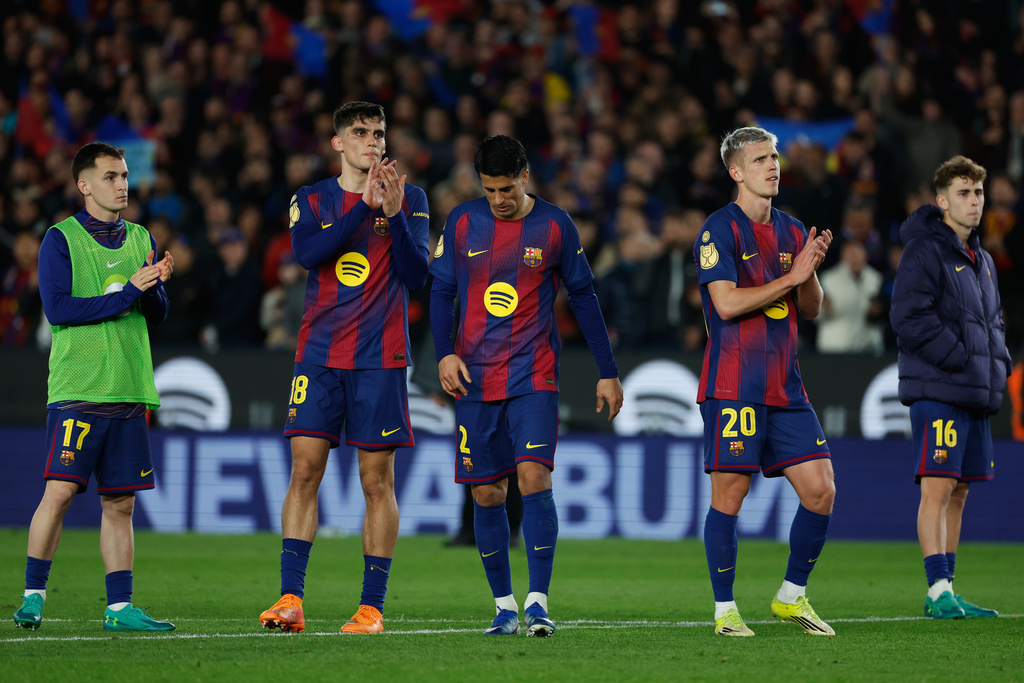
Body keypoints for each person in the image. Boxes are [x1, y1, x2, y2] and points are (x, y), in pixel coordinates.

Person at [430, 135, 623, 637]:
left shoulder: (555, 225)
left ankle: (538, 602)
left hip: (533, 373)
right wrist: (444, 353)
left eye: (507, 188)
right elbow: (442, 290)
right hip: (474, 377)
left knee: (534, 476)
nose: (499, 199)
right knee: (487, 492)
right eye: (490, 189)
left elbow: (584, 297)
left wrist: (607, 370)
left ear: (525, 177)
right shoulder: (462, 222)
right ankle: (504, 607)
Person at [259, 102, 429, 634]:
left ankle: (371, 608)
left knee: (376, 482)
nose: (372, 141)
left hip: (380, 357)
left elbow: (417, 275)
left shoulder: (411, 199)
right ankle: (290, 600)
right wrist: (363, 208)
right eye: (360, 132)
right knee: (304, 471)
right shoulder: (310, 199)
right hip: (319, 354)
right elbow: (310, 254)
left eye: (378, 133)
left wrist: (393, 214)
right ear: (338, 142)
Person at [13, 142, 175, 632]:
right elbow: (59, 310)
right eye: (110, 177)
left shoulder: (141, 236)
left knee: (121, 503)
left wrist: (155, 285)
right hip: (79, 389)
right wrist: (130, 292)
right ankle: (33, 597)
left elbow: (156, 315)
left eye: (124, 175)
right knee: (60, 492)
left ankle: (120, 608)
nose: (122, 184)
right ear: (84, 185)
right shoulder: (60, 239)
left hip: (128, 387)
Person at [694, 127, 836, 637]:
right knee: (730, 495)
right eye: (760, 159)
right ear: (736, 171)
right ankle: (725, 609)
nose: (772, 165)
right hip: (734, 382)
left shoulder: (793, 230)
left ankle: (791, 596)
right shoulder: (718, 229)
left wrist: (809, 270)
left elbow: (812, 308)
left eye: (774, 157)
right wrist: (790, 278)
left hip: (786, 386)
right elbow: (726, 304)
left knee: (821, 490)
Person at [889, 155, 1011, 619]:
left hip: (972, 390)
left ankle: (949, 589)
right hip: (939, 388)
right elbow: (907, 317)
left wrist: (998, 363)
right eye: (963, 193)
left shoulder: (982, 259)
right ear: (942, 201)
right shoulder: (924, 251)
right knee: (938, 489)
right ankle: (936, 589)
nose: (974, 201)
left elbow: (993, 322)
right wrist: (960, 358)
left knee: (959, 491)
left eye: (978, 192)